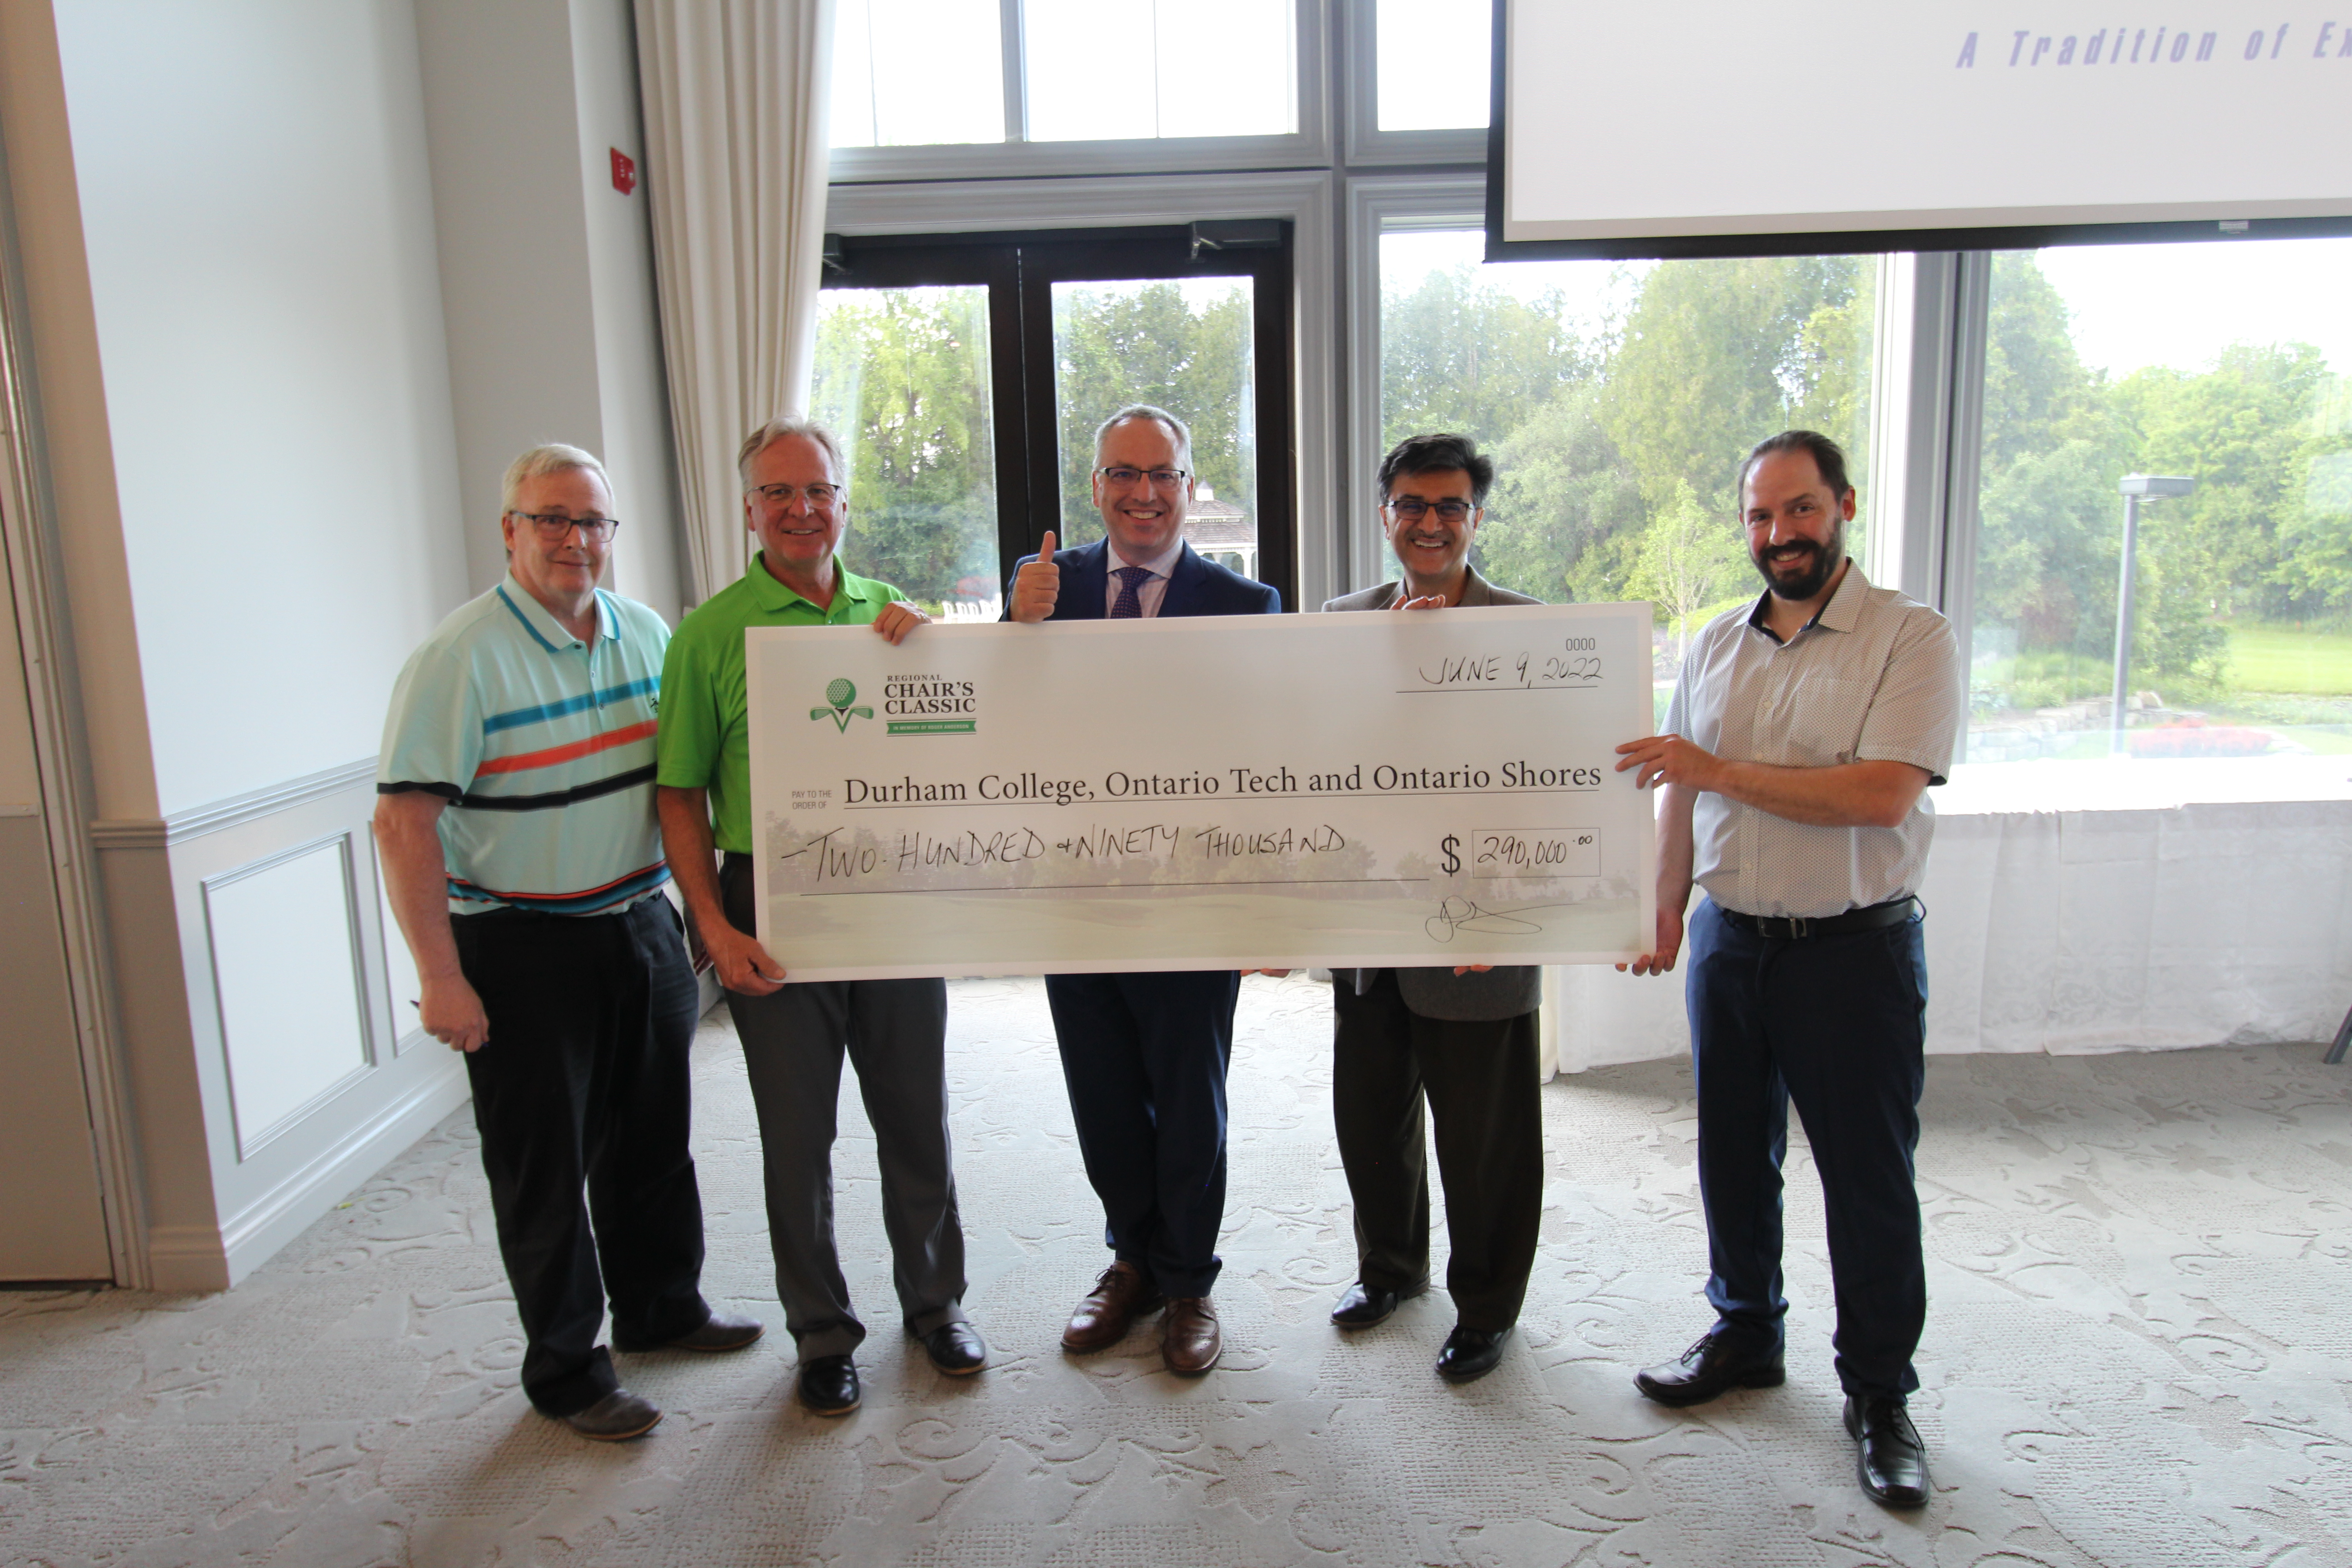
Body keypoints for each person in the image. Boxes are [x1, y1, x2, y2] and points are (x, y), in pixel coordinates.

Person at [374, 443, 760, 1444]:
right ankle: (568, 1371)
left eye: (592, 522)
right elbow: (405, 822)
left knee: (652, 1138)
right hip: (518, 943)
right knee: (542, 1168)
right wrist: (439, 977)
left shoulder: (644, 633)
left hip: (639, 924)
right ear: (510, 530)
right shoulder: (457, 659)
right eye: (551, 519)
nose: (574, 540)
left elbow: (683, 786)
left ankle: (663, 1305)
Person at [1613, 430, 1960, 1508]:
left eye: (1799, 511)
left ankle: (1879, 1395)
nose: (1779, 535)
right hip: (1731, 941)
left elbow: (1880, 794)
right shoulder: (1716, 641)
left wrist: (1717, 770)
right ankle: (1747, 1332)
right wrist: (1664, 904)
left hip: (1852, 950)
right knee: (1731, 1154)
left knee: (1865, 1178)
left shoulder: (1911, 637)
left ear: (1843, 506)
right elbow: (1679, 788)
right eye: (1761, 518)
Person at [655, 417, 982, 1417]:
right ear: (750, 509)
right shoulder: (711, 633)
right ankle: (822, 1332)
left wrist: (932, 663)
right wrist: (713, 927)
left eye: (820, 491)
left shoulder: (891, 614)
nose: (802, 510)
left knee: (914, 1118)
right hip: (773, 902)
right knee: (797, 1137)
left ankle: (936, 1305)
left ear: (846, 501)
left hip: (890, 896)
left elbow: (957, 747)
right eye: (779, 493)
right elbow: (679, 796)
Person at [1005, 403, 1282, 1374]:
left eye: (1162, 474)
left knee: (1189, 1094)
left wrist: (1270, 903)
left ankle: (1188, 1281)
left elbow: (1269, 759)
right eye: (1123, 473)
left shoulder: (1249, 604)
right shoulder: (1044, 587)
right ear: (1097, 489)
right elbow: (996, 723)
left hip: (1193, 895)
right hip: (1072, 892)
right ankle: (1129, 1260)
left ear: (1188, 487)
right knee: (1104, 1091)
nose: (1143, 492)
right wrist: (1012, 627)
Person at [1322, 433, 1545, 1384]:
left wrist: (1495, 910)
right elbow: (1314, 762)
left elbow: (1544, 785)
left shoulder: (1526, 629)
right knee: (1370, 1116)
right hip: (1372, 924)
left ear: (1477, 519)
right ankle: (1391, 1270)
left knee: (1484, 1133)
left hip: (1479, 929)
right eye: (1412, 504)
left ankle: (1487, 1306)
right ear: (1386, 515)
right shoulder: (1339, 622)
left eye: (1451, 505)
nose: (1430, 521)